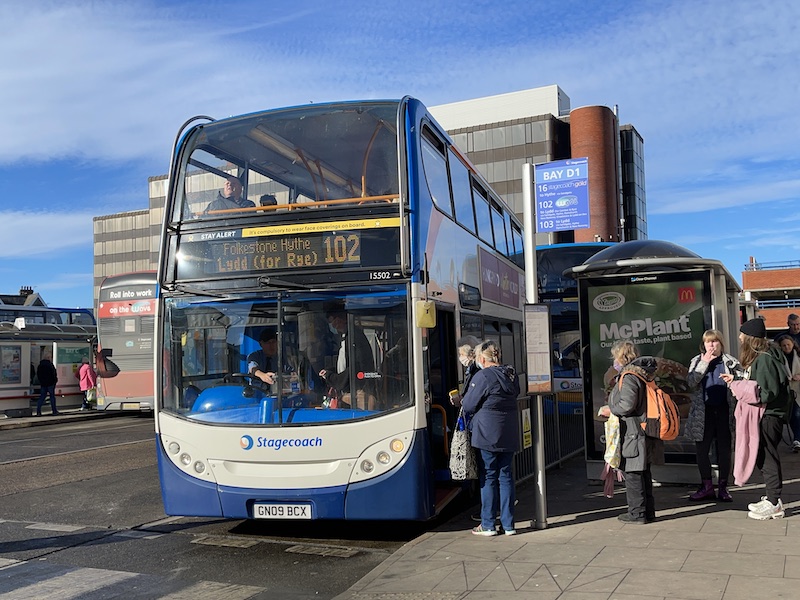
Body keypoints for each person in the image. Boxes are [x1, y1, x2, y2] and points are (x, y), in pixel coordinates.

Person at [721, 318, 792, 520]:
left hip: (768, 414)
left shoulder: (764, 358)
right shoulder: (766, 356)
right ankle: (771, 498)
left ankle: (774, 502)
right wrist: (737, 381)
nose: (740, 337)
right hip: (770, 414)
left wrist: (739, 387)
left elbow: (766, 392)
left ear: (751, 338)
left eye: (743, 333)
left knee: (766, 456)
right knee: (764, 455)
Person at [461, 340, 520, 536]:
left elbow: (469, 405)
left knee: (488, 477)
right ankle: (508, 524)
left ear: (481, 358)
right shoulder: (511, 375)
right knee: (506, 477)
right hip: (509, 431)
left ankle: (487, 524)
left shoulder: (483, 376)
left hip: (487, 432)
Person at [601, 340, 664, 524]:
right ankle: (648, 512)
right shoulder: (645, 375)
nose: (614, 361)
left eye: (615, 357)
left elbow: (627, 404)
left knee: (633, 473)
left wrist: (611, 409)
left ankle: (636, 514)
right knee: (644, 472)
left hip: (634, 431)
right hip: (645, 428)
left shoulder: (629, 376)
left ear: (621, 356)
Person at [684, 330, 741, 502]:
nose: (711, 345)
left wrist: (734, 379)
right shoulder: (697, 360)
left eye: (714, 342)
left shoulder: (730, 362)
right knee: (702, 451)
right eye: (708, 342)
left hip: (724, 411)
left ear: (721, 344)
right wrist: (704, 364)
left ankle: (723, 487)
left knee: (724, 451)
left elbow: (743, 381)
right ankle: (706, 486)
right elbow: (691, 382)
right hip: (704, 414)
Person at [319, 311, 374, 408]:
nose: (333, 325)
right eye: (331, 323)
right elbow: (344, 364)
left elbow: (354, 368)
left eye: (334, 321)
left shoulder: (354, 337)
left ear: (343, 319)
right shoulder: (346, 336)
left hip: (356, 391)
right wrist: (331, 372)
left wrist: (331, 377)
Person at [247, 329, 323, 395]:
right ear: (261, 344)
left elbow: (292, 373)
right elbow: (253, 368)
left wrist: (292, 378)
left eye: (273, 342)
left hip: (280, 395)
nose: (271, 346)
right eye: (267, 343)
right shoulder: (254, 356)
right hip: (257, 394)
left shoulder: (285, 358)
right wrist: (262, 375)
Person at [776, 333, 800, 452]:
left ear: (793, 344)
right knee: (790, 416)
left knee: (796, 414)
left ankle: (797, 439)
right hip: (785, 392)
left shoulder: (798, 356)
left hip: (798, 390)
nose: (787, 347)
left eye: (788, 345)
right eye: (784, 345)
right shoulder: (778, 358)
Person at [449, 336, 480, 407]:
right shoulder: (471, 370)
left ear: (470, 354)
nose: (460, 357)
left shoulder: (477, 371)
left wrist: (461, 400)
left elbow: (475, 397)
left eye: (461, 354)